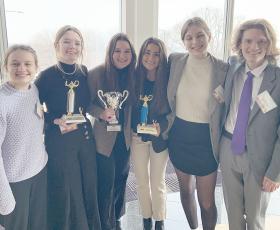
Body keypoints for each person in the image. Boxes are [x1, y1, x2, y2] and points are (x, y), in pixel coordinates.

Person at [164, 17, 228, 230]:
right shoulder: (174, 61)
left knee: (207, 201)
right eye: (189, 37)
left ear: (209, 36)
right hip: (180, 136)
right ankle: (193, 227)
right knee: (185, 190)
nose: (195, 41)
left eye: (200, 35)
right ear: (183, 41)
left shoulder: (223, 69)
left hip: (206, 140)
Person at [35, 25, 101, 230]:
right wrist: (55, 121)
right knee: (67, 189)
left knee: (89, 185)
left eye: (77, 42)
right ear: (57, 45)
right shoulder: (45, 77)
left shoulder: (84, 73)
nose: (72, 46)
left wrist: (102, 112)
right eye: (67, 41)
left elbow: (88, 104)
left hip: (85, 139)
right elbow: (33, 111)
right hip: (60, 141)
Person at [219, 18, 280, 230]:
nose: (254, 47)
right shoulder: (233, 67)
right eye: (248, 41)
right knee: (233, 217)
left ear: (269, 44)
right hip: (228, 149)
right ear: (240, 43)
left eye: (261, 41)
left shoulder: (278, 79)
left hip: (260, 157)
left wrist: (275, 172)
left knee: (254, 220)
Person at [87, 33, 136, 230]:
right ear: (110, 52)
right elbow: (86, 104)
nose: (122, 55)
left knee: (121, 181)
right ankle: (104, 224)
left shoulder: (134, 75)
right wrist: (101, 112)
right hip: (103, 141)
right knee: (105, 184)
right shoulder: (96, 74)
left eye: (126, 51)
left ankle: (115, 219)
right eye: (117, 51)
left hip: (124, 140)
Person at [0, 45, 48, 230]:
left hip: (39, 172)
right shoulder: (2, 102)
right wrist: (4, 197)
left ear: (36, 68)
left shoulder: (33, 90)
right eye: (15, 64)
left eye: (27, 64)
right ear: (6, 67)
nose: (22, 69)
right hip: (14, 182)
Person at [131, 37, 170, 230]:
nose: (151, 58)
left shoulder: (168, 79)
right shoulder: (134, 76)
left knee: (157, 181)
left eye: (156, 54)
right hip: (137, 138)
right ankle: (146, 217)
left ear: (161, 57)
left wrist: (160, 126)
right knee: (141, 180)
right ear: (142, 55)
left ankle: (159, 220)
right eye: (147, 52)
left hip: (159, 139)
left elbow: (172, 110)